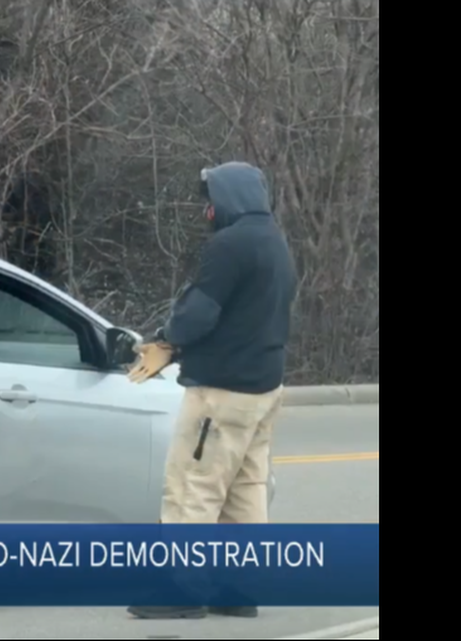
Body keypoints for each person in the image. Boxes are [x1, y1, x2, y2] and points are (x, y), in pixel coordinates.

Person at [125, 161, 297, 620]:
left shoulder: (230, 244)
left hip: (220, 391)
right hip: (263, 388)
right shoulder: (275, 242)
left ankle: (182, 589)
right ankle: (237, 589)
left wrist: (167, 340)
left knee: (191, 487)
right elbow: (243, 317)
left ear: (229, 201)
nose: (207, 211)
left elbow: (200, 311)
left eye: (210, 201)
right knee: (246, 489)